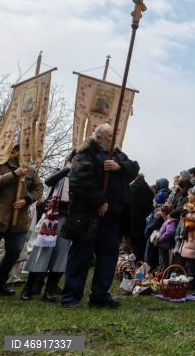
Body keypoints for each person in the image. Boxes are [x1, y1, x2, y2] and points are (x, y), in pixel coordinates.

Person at [61, 124, 139, 309]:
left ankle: (100, 295)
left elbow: (134, 168)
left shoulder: (118, 155)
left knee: (108, 256)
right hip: (89, 214)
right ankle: (71, 296)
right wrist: (99, 201)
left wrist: (118, 167)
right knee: (81, 255)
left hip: (113, 216)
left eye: (114, 135)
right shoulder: (85, 153)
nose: (114, 139)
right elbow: (79, 180)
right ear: (98, 137)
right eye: (109, 136)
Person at [21, 152, 74, 301]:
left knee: (61, 255)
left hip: (70, 218)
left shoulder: (83, 176)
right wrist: (67, 169)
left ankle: (50, 289)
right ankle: (29, 287)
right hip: (52, 216)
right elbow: (49, 181)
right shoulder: (60, 170)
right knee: (41, 252)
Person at [0, 144, 43, 296]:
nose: (26, 157)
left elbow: (39, 188)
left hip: (19, 220)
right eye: (23, 153)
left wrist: (27, 200)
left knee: (15, 251)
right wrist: (14, 174)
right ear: (14, 152)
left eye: (29, 154)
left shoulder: (31, 171)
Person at [127, 172, 154, 261]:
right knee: (143, 244)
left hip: (132, 222)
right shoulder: (149, 191)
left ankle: (133, 263)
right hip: (145, 222)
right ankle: (142, 262)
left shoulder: (131, 189)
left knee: (133, 245)